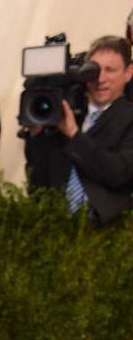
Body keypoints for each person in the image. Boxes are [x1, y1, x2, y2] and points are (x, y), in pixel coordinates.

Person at [24, 36, 133, 227]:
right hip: (55, 225)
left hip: (105, 230)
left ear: (128, 73)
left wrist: (75, 135)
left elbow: (118, 173)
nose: (100, 79)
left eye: (110, 70)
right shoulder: (64, 112)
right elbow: (40, 176)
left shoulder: (128, 118)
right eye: (95, 70)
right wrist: (37, 134)